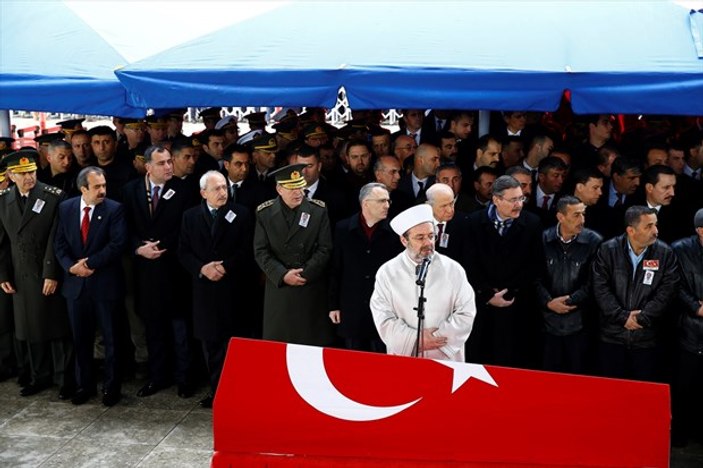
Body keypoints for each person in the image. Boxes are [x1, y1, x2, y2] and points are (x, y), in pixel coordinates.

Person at [121, 145, 194, 399]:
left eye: (169, 162)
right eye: (162, 163)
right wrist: (138, 249)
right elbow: (124, 228)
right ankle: (158, 376)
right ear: (147, 166)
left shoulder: (184, 190)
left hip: (174, 270)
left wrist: (159, 247)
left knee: (180, 330)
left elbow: (186, 229)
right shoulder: (130, 190)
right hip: (145, 273)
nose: (168, 167)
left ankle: (185, 378)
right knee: (153, 329)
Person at [0, 150, 72, 398]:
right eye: (22, 174)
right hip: (20, 274)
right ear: (10, 175)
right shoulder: (4, 199)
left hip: (45, 270)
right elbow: (2, 243)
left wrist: (51, 272)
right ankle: (38, 376)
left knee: (55, 327)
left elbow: (56, 238)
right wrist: (3, 275)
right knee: (29, 328)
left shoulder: (53, 196)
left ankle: (64, 378)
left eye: (31, 172)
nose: (28, 178)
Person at [54, 166, 128, 406]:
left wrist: (91, 263)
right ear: (83, 188)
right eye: (97, 186)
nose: (102, 190)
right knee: (81, 340)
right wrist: (70, 267)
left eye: (104, 185)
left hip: (105, 286)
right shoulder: (66, 208)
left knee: (111, 340)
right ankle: (84, 386)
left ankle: (111, 388)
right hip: (76, 287)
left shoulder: (114, 209)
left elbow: (117, 244)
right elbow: (60, 243)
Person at [179, 171, 253, 408]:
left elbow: (247, 248)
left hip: (234, 290)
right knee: (211, 346)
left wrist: (225, 267)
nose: (223, 192)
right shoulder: (190, 216)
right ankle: (217, 391)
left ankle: (239, 391)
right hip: (204, 292)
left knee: (235, 345)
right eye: (216, 189)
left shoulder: (241, 214)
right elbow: (183, 251)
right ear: (203, 193)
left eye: (224, 187)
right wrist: (202, 268)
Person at [370, 204, 475, 361]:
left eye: (431, 236)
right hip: (405, 356)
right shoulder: (387, 272)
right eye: (420, 237)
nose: (428, 242)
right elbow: (383, 317)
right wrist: (414, 339)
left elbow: (466, 313)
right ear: (404, 240)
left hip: (444, 355)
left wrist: (436, 339)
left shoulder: (453, 269)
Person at [463, 175, 544, 368]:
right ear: (496, 200)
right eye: (513, 200)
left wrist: (509, 292)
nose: (518, 204)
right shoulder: (473, 222)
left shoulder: (532, 223)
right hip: (482, 308)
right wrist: (488, 295)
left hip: (517, 307)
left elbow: (536, 265)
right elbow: (468, 264)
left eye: (521, 198)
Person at [591, 206, 679, 382]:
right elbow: (600, 288)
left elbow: (667, 291)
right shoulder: (608, 250)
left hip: (647, 339)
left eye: (655, 224)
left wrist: (642, 318)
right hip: (612, 337)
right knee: (611, 392)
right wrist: (622, 317)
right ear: (631, 230)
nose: (655, 231)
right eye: (648, 226)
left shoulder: (665, 253)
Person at [254, 163, 334, 346]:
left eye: (300, 186)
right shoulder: (264, 214)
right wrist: (282, 275)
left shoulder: (318, 211)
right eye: (292, 188)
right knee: (279, 346)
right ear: (279, 189)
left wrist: (304, 273)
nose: (298, 192)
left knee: (310, 344)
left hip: (309, 287)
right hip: (280, 289)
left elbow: (325, 248)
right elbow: (260, 251)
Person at [328, 183, 403, 352]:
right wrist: (333, 305)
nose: (387, 205)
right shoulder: (343, 229)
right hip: (352, 308)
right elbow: (335, 269)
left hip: (384, 310)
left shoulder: (394, 232)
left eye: (388, 201)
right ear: (366, 203)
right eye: (382, 201)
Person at [536, 196, 602, 374]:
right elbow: (534, 278)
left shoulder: (594, 241)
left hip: (580, 323)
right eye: (576, 215)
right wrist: (548, 302)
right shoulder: (542, 239)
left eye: (583, 214)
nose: (582, 220)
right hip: (546, 323)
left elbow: (595, 282)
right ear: (560, 217)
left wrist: (571, 300)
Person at [671, 209, 703, 446]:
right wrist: (696, 307)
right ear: (700, 231)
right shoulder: (680, 249)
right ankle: (680, 433)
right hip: (687, 329)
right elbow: (675, 285)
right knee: (684, 385)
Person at [426, 183, 468, 263]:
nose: (450, 210)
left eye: (452, 204)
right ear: (430, 206)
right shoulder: (419, 224)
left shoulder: (465, 223)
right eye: (444, 206)